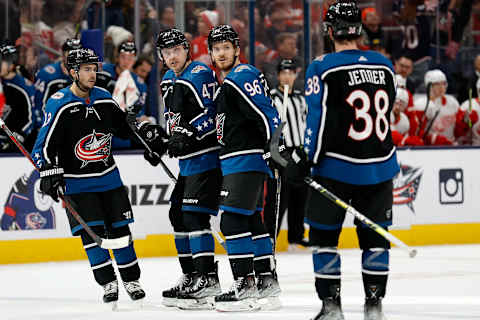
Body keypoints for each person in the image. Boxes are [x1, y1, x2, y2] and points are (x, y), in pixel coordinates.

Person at [284, 2, 399, 320]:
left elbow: (317, 120)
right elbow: (388, 109)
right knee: (375, 240)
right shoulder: (384, 64)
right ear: (359, 30)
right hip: (380, 165)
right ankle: (374, 306)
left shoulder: (322, 66)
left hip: (336, 167)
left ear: (329, 31)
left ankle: (331, 307)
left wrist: (306, 157)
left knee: (323, 237)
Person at [31, 48, 146, 307]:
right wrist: (48, 171)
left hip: (109, 178)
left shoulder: (105, 98)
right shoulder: (59, 103)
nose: (92, 74)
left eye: (94, 69)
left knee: (121, 230)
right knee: (91, 235)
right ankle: (108, 282)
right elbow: (43, 148)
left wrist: (138, 128)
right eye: (86, 69)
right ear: (73, 73)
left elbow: (123, 130)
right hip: (78, 183)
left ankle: (131, 279)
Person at [147, 28, 223, 310]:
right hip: (189, 161)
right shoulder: (168, 79)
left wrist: (190, 134)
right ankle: (191, 275)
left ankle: (208, 278)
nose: (171, 56)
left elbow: (213, 113)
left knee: (193, 216)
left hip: (207, 158)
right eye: (166, 53)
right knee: (177, 215)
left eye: (176, 50)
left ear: (186, 50)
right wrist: (161, 142)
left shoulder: (200, 73)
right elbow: (174, 123)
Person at [208, 24, 281, 312]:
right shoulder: (229, 83)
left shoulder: (242, 75)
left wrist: (274, 146)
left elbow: (266, 113)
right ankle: (266, 280)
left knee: (232, 222)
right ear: (211, 54)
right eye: (217, 49)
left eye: (227, 47)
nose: (222, 53)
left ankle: (245, 285)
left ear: (237, 50)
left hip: (246, 158)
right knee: (251, 220)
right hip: (237, 159)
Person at [264, 58, 308, 248]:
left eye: (291, 72)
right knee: (278, 196)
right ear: (279, 75)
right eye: (284, 72)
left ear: (295, 75)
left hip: (299, 151)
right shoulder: (271, 98)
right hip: (280, 152)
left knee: (300, 196)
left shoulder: (300, 99)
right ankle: (269, 237)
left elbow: (306, 125)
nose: (288, 76)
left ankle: (296, 237)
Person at [33, 38, 81, 133]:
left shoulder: (84, 76)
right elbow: (37, 104)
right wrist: (45, 128)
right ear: (63, 55)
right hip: (51, 128)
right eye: (70, 53)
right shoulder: (47, 75)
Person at [0, 44, 35, 152]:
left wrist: (17, 136)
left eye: (1, 62)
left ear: (12, 64)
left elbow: (30, 119)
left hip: (18, 144)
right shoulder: (2, 83)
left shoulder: (23, 87)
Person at [411, 69, 460, 146]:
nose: (442, 87)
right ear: (429, 86)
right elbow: (416, 133)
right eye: (437, 84)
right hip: (430, 148)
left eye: (444, 83)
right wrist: (432, 139)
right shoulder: (420, 105)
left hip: (452, 146)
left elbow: (459, 129)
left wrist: (466, 121)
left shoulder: (452, 102)